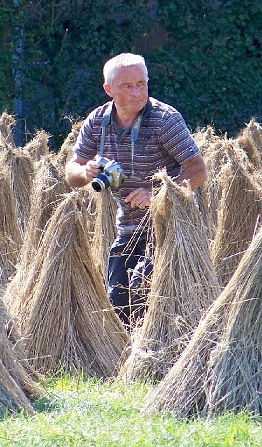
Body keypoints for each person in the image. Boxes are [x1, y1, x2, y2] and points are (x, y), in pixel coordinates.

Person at [65, 53, 207, 327]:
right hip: (128, 228)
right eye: (127, 86)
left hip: (169, 227)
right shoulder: (98, 122)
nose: (136, 92)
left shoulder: (164, 120)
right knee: (118, 301)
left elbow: (197, 170)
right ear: (109, 90)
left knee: (145, 291)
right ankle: (129, 365)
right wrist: (86, 172)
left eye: (141, 84)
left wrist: (156, 194)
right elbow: (72, 169)